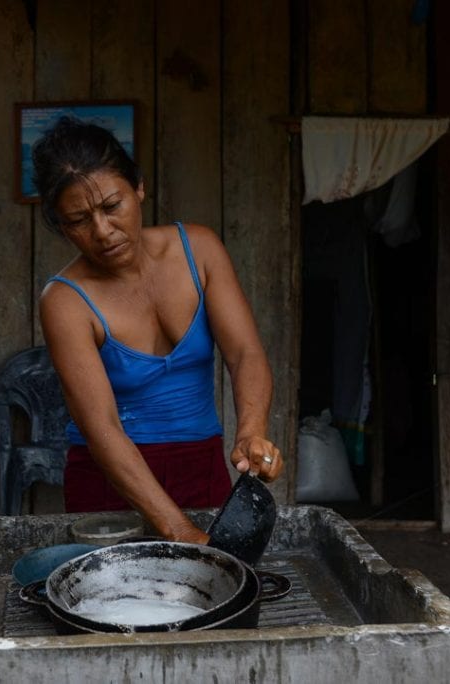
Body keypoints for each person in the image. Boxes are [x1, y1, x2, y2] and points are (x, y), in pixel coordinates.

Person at [34, 117, 283, 545]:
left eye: (112, 207)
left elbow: (245, 354)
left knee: (214, 596)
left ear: (139, 188)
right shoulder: (65, 302)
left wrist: (251, 432)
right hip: (112, 483)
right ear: (60, 224)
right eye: (78, 220)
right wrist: (177, 528)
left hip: (201, 466)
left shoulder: (200, 250)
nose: (102, 231)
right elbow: (102, 428)